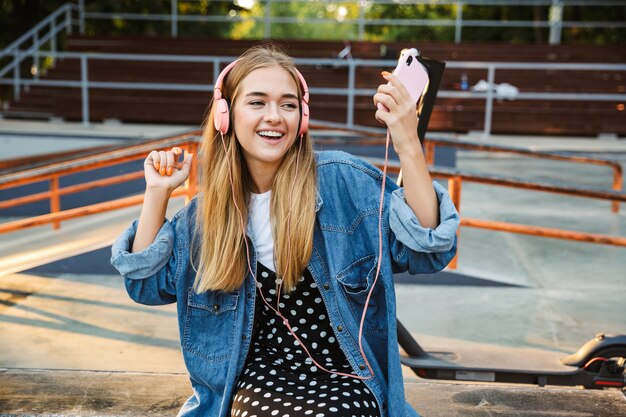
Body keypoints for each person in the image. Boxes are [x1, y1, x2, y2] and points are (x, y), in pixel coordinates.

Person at [111, 45, 459, 417]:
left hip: (349, 375)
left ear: (302, 116)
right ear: (225, 115)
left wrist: (407, 140)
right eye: (257, 103)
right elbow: (146, 285)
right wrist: (157, 194)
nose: (274, 117)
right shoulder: (208, 216)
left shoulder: (344, 182)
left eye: (288, 105)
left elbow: (429, 249)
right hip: (262, 377)